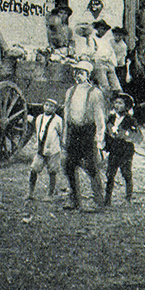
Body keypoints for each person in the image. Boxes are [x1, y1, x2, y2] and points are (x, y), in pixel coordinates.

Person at [62, 60, 107, 210]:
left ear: (87, 75)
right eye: (76, 72)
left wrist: (99, 139)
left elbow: (99, 118)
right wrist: (65, 135)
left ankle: (98, 201)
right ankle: (74, 200)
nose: (78, 76)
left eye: (81, 73)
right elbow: (66, 113)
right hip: (74, 131)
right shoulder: (70, 91)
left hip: (88, 132)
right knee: (69, 166)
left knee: (92, 167)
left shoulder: (95, 93)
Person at [104, 92, 140, 205]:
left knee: (126, 173)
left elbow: (137, 136)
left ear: (126, 106)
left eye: (120, 103)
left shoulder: (130, 120)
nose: (117, 105)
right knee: (110, 174)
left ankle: (128, 197)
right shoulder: (111, 118)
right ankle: (107, 199)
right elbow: (106, 130)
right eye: (116, 102)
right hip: (114, 151)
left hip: (125, 152)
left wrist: (124, 134)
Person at [28, 98, 64, 201]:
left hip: (53, 150)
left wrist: (59, 146)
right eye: (47, 105)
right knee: (34, 169)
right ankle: (30, 193)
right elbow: (39, 130)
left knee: (52, 171)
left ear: (55, 108)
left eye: (51, 106)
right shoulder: (39, 118)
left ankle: (50, 194)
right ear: (43, 106)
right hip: (41, 149)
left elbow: (61, 133)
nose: (48, 108)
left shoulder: (58, 120)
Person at [91, 20, 122, 100]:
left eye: (104, 29)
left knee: (115, 82)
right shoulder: (92, 39)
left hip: (107, 63)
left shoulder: (106, 41)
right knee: (104, 83)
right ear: (97, 29)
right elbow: (92, 53)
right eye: (101, 29)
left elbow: (111, 53)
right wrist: (99, 59)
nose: (103, 31)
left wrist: (112, 63)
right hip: (98, 63)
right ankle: (107, 96)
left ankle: (117, 95)